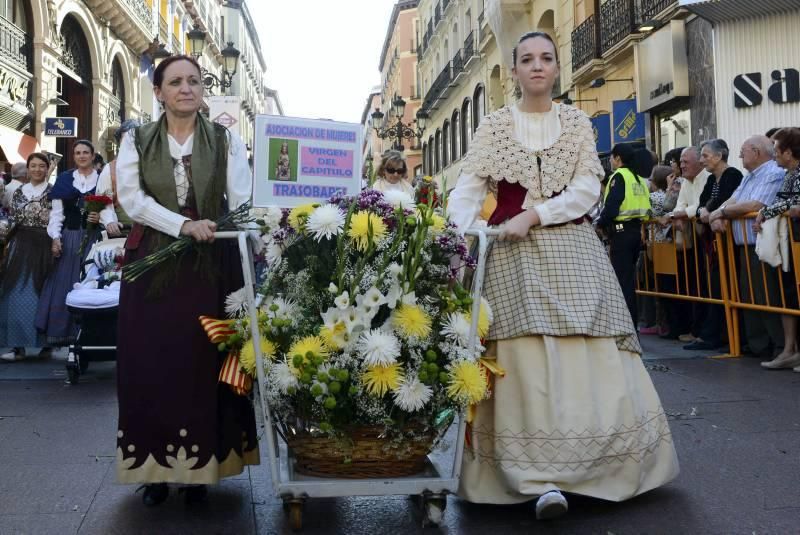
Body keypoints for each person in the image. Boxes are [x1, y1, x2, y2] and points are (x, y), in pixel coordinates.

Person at [448, 31, 678, 520]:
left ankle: (597, 470)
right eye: (527, 59)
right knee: (519, 350)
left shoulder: (575, 122)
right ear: (513, 71)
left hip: (570, 248)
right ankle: (529, 475)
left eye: (546, 58)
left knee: (589, 341)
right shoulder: (493, 126)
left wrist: (533, 215)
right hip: (509, 255)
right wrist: (461, 236)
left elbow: (586, 187)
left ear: (556, 68)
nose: (537, 66)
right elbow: (468, 188)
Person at [115, 54, 258, 506]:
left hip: (211, 262)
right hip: (154, 263)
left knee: (203, 363)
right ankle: (156, 470)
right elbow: (132, 200)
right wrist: (181, 225)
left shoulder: (225, 139)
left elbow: (242, 197)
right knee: (152, 363)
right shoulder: (136, 139)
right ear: (158, 92)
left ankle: (203, 467)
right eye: (175, 82)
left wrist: (246, 234)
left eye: (194, 81)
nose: (186, 89)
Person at [709, 135, 786, 361]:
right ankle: (758, 345)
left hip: (761, 245)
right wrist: (718, 213)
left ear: (756, 151)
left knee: (765, 296)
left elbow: (755, 205)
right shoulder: (749, 176)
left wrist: (720, 213)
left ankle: (777, 346)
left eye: (743, 150)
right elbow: (733, 200)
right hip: (744, 246)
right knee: (748, 296)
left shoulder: (772, 173)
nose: (740, 155)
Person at [35, 140, 102, 346]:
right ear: (74, 157)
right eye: (77, 153)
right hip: (71, 237)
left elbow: (112, 210)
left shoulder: (103, 179)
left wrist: (99, 218)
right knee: (65, 282)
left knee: (93, 283)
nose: (81, 156)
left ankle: (94, 334)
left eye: (85, 152)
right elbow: (57, 214)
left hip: (95, 240)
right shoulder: (65, 179)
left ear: (92, 156)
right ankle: (66, 333)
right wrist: (55, 237)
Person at [684, 139, 743, 351]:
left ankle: (730, 337)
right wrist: (705, 212)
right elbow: (702, 205)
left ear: (719, 156)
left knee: (728, 287)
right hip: (712, 242)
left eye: (705, 156)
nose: (702, 160)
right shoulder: (711, 180)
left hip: (729, 241)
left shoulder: (733, 175)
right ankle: (713, 334)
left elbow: (725, 201)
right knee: (715, 286)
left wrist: (708, 212)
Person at [752, 127, 800, 370]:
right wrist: (768, 211)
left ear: (789, 152)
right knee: (788, 295)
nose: (774, 154)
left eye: (777, 149)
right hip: (790, 244)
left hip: (796, 241)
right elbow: (784, 203)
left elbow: (793, 205)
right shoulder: (789, 174)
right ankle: (790, 349)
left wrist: (766, 211)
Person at [0, 153, 54, 362]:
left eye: (42, 166)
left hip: (46, 244)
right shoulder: (19, 191)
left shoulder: (54, 192)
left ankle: (46, 345)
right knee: (15, 294)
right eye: (33, 166)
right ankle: (17, 346)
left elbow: (59, 219)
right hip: (20, 243)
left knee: (43, 294)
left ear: (47, 169)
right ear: (28, 169)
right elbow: (13, 219)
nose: (37, 170)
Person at [596, 143, 652, 327]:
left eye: (612, 157)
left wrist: (600, 223)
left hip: (621, 233)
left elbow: (612, 206)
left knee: (623, 282)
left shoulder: (618, 176)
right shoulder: (638, 178)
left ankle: (626, 324)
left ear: (618, 158)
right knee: (629, 281)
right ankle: (631, 323)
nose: (611, 161)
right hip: (636, 232)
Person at [96, 119, 140, 235]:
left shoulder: (153, 165)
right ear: (120, 142)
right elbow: (104, 201)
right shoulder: (110, 169)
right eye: (125, 139)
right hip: (122, 230)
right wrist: (110, 221)